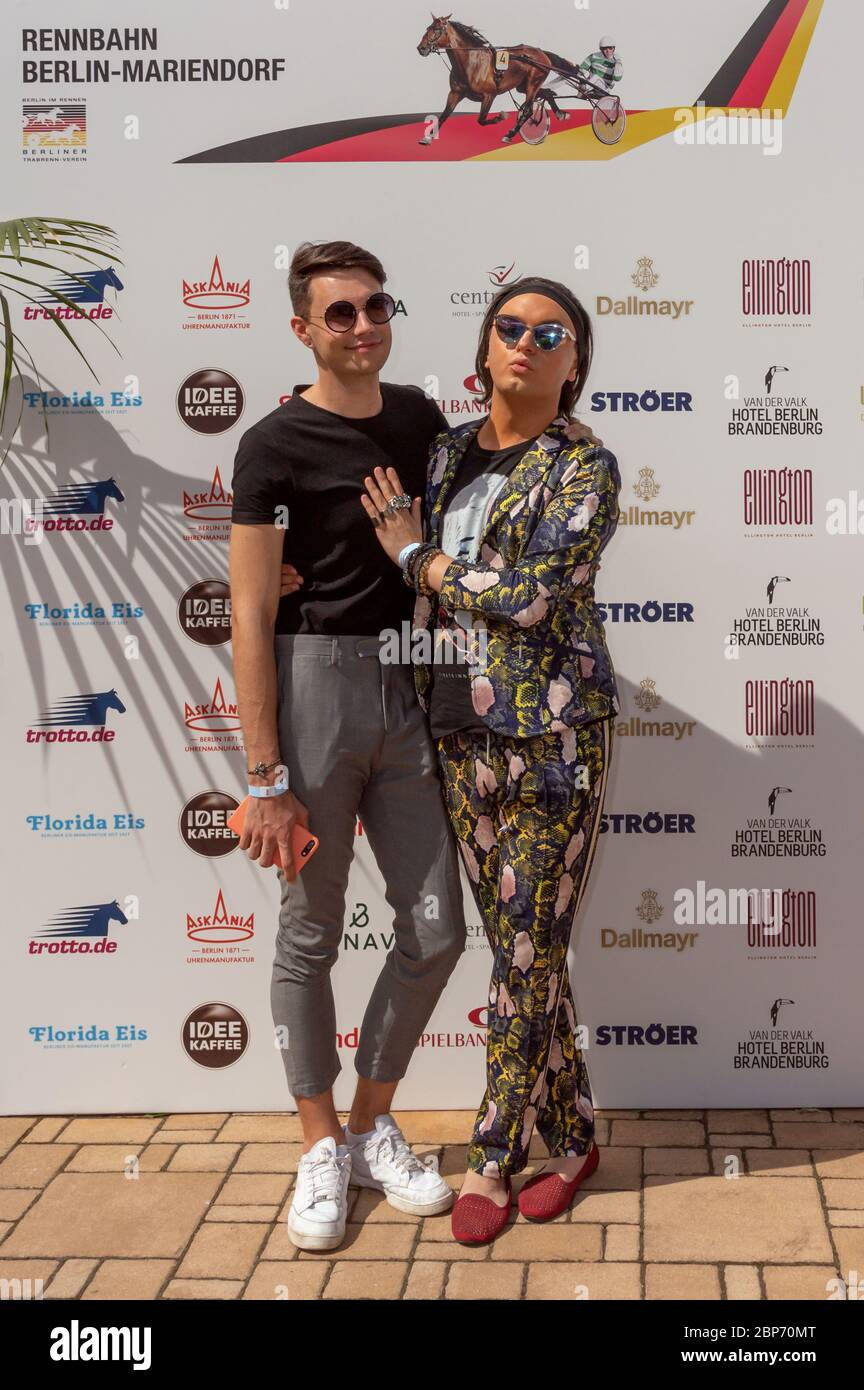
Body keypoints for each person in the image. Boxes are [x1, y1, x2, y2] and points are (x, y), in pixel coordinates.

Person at [358, 276, 620, 1244]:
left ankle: (493, 1153)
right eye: (507, 326)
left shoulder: (584, 469)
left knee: (519, 951)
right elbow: (396, 568)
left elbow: (528, 597)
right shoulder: (441, 454)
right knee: (530, 949)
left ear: (572, 364)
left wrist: (418, 558)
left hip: (555, 739)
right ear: (483, 347)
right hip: (457, 735)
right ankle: (578, 1133)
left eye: (547, 332)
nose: (524, 342)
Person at [228, 239, 465, 1252]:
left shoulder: (418, 419)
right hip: (314, 683)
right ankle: (317, 1141)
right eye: (339, 314)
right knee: (308, 933)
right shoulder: (273, 446)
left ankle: (370, 1124)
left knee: (435, 928)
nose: (363, 325)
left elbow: (475, 518)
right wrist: (264, 776)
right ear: (302, 331)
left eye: (375, 306)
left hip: (411, 685)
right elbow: (247, 609)